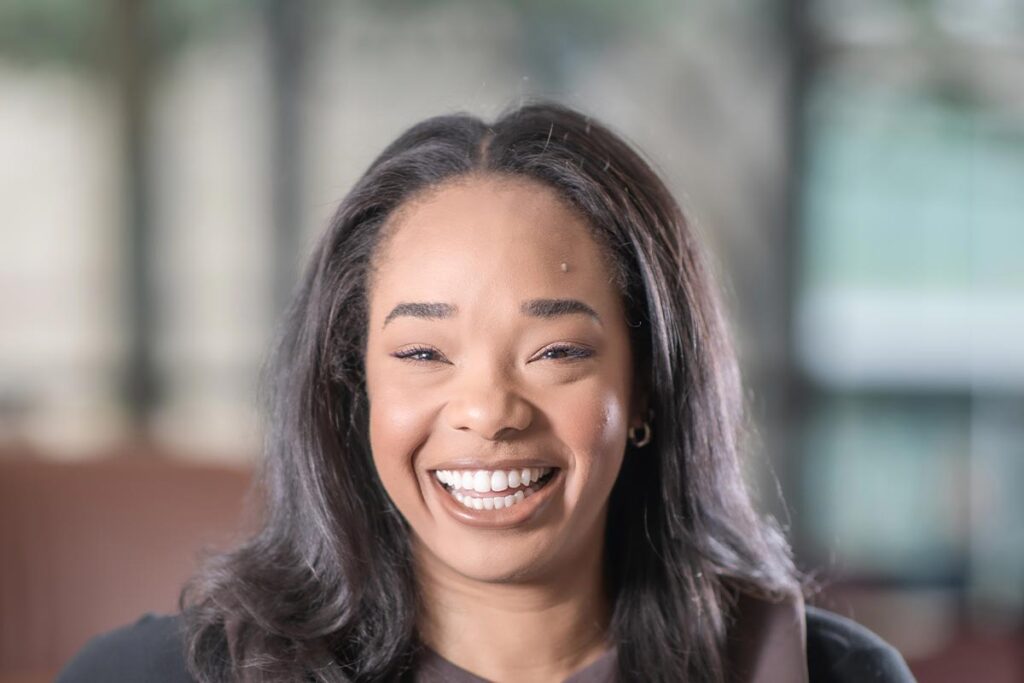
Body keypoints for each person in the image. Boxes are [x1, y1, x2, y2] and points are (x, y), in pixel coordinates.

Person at [58, 102, 916, 682]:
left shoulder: (823, 672)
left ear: (647, 386)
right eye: (425, 351)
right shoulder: (155, 676)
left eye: (553, 350)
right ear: (355, 393)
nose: (488, 410)